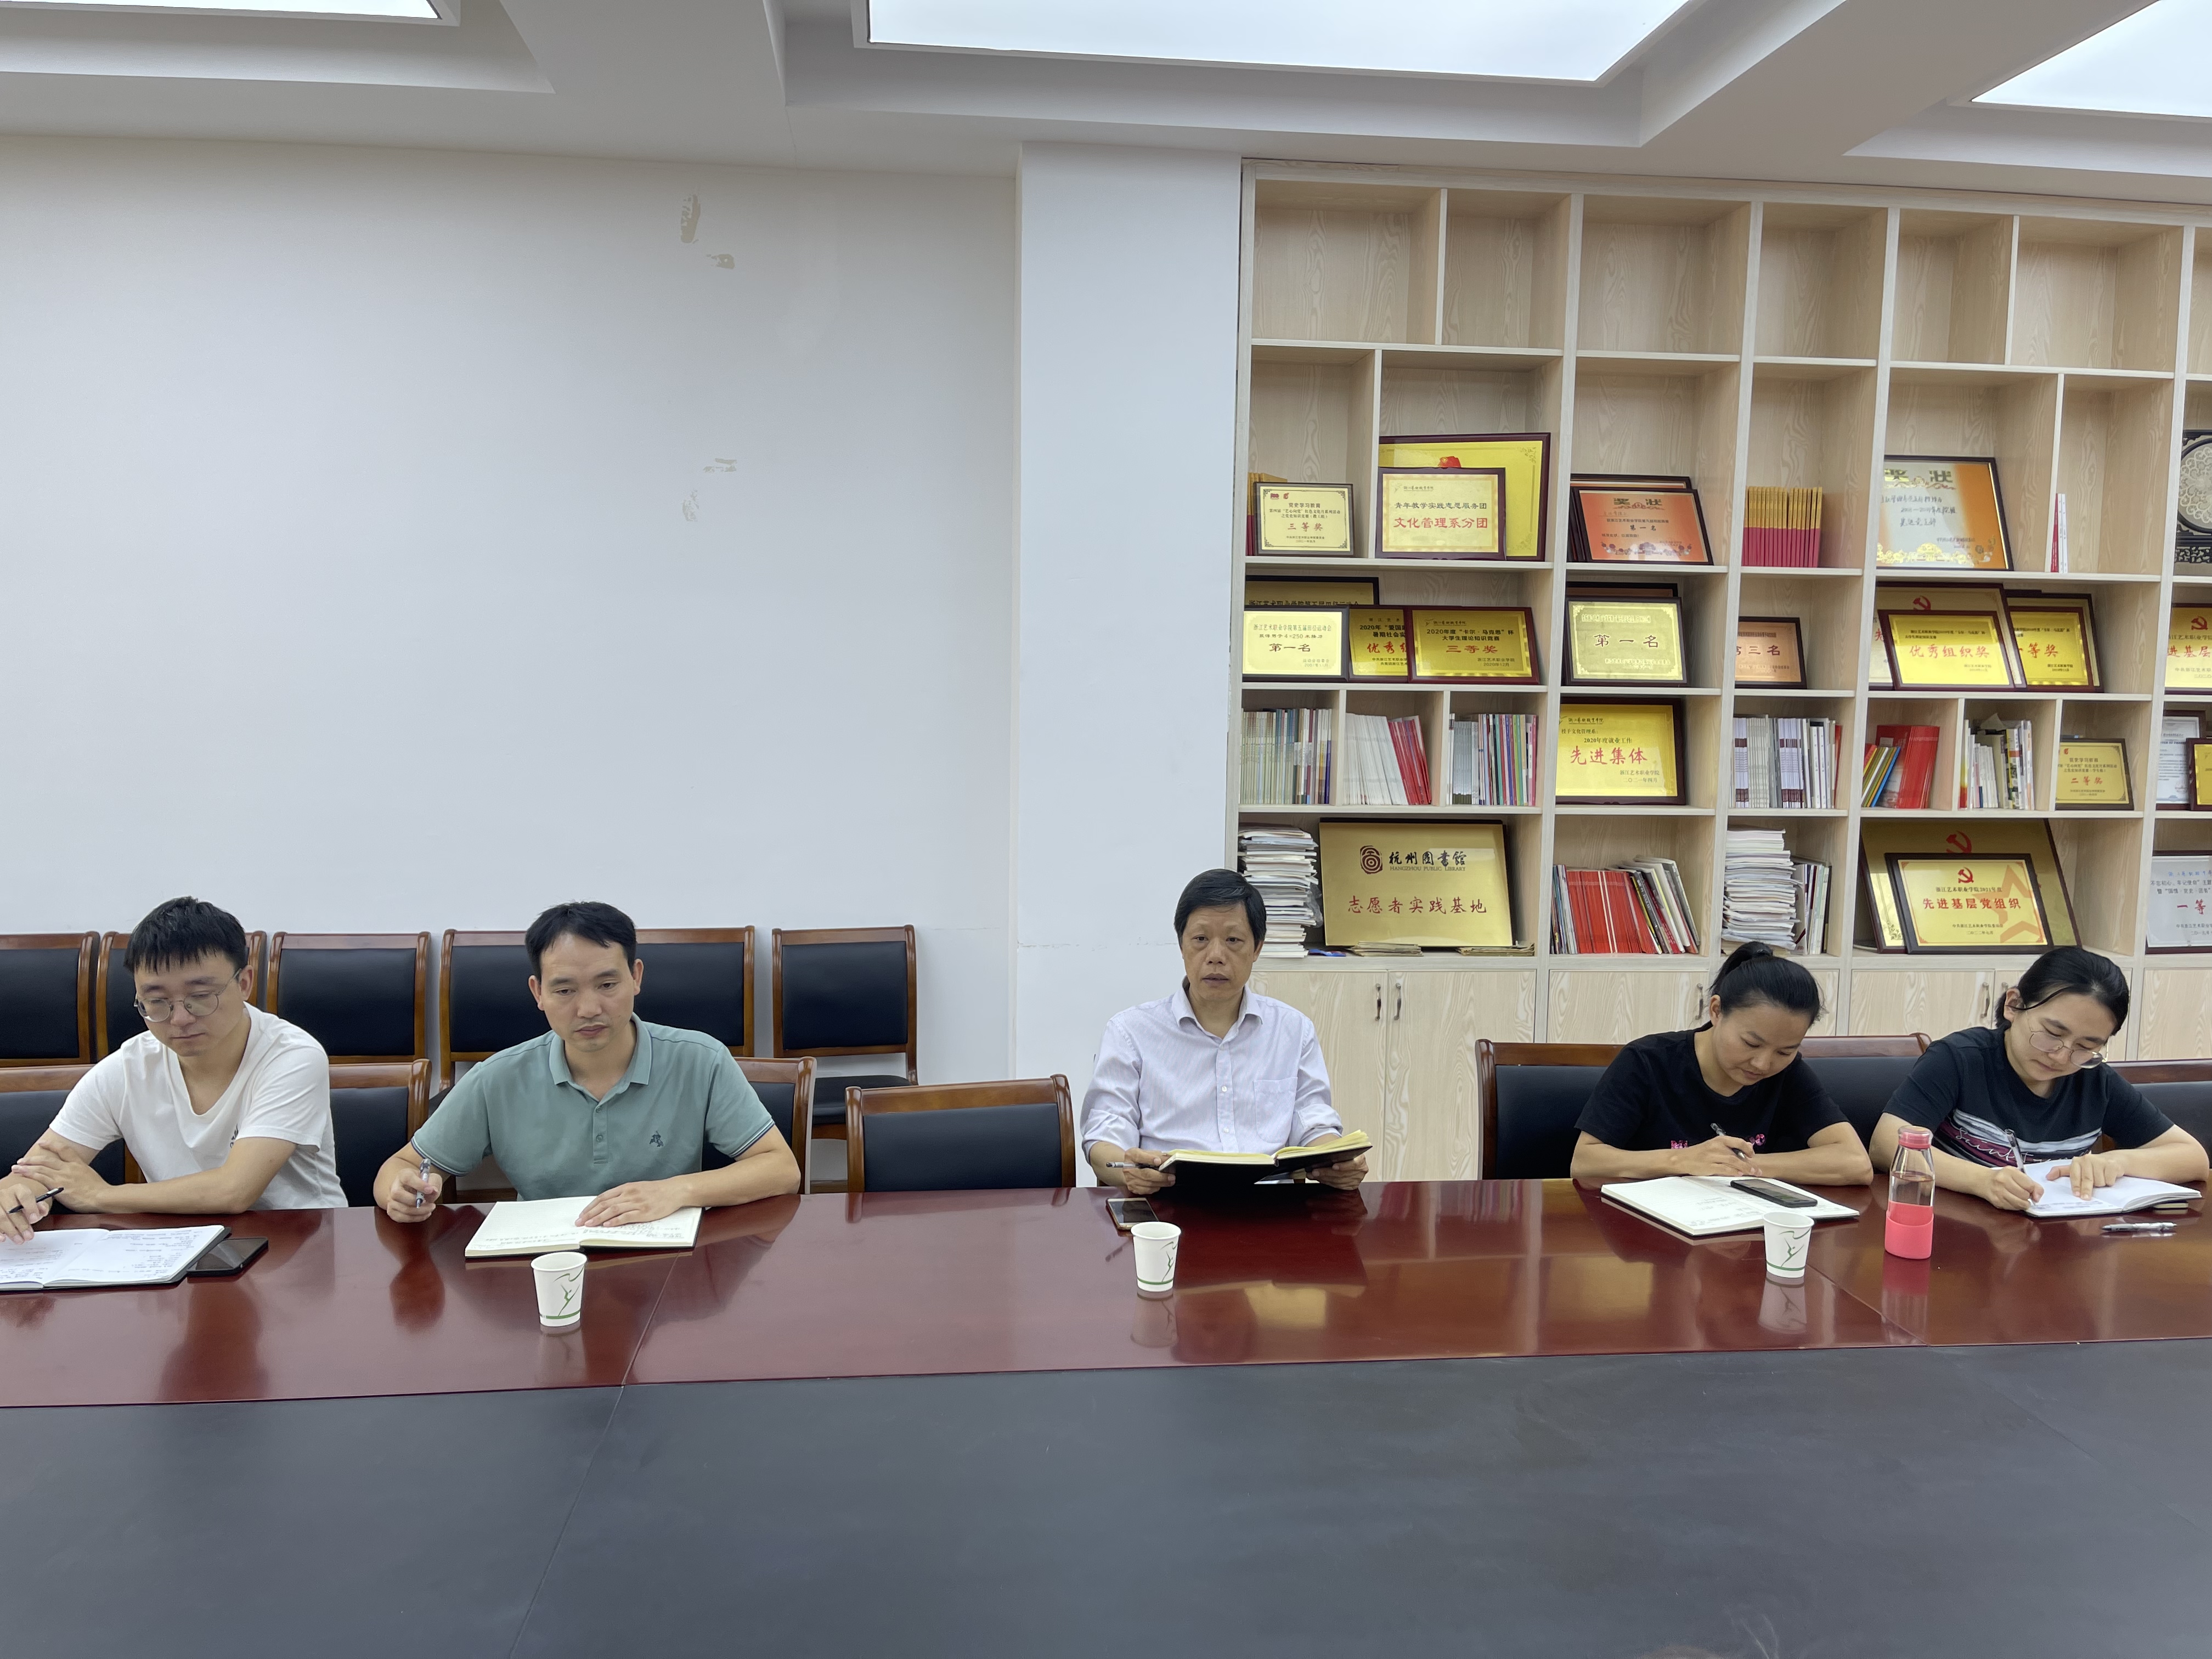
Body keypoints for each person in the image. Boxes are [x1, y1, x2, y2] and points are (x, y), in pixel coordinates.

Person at [372, 901, 799, 1224]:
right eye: (565, 991)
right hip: (544, 1267)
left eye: (607, 984)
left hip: (664, 1260)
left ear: (636, 977)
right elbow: (402, 1166)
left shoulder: (701, 1060)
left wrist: (676, 1191)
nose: (589, 1009)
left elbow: (781, 1169)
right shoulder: (497, 1078)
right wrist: (401, 1192)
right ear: (538, 993)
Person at [1, 896, 343, 1242]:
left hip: (297, 1244)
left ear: (244, 983)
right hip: (179, 1246)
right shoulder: (128, 1068)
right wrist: (16, 1192)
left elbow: (234, 1190)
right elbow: (39, 1168)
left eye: (201, 996)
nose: (180, 1019)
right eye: (157, 1002)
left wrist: (99, 1196)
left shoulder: (292, 1056)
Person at [1081, 868, 1366, 1194]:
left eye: (1233, 941)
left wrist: (1338, 1161)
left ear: (1257, 948)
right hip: (1169, 1202)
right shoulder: (1130, 1032)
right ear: (1182, 945)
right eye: (1201, 939)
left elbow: (1312, 1121)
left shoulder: (1292, 1030)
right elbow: (1105, 1130)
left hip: (1269, 1205)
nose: (1216, 957)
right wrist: (1129, 1168)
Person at [1871, 945, 2208, 1210]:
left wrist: (2117, 1161)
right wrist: (1982, 1181)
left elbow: (2192, 1157)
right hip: (1957, 1233)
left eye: (2086, 1047)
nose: (2061, 1056)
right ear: (2014, 1005)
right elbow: (1886, 1144)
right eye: (2052, 1034)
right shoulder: (1960, 1060)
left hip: (2053, 1245)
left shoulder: (2095, 1081)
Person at [1569, 941, 1873, 1186]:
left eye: (1785, 1051)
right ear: (1716, 1010)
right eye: (1751, 1043)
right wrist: (1682, 1160)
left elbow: (1856, 1163)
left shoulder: (1788, 1074)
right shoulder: (1647, 1061)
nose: (1763, 1064)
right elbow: (1586, 1162)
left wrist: (1738, 1166)